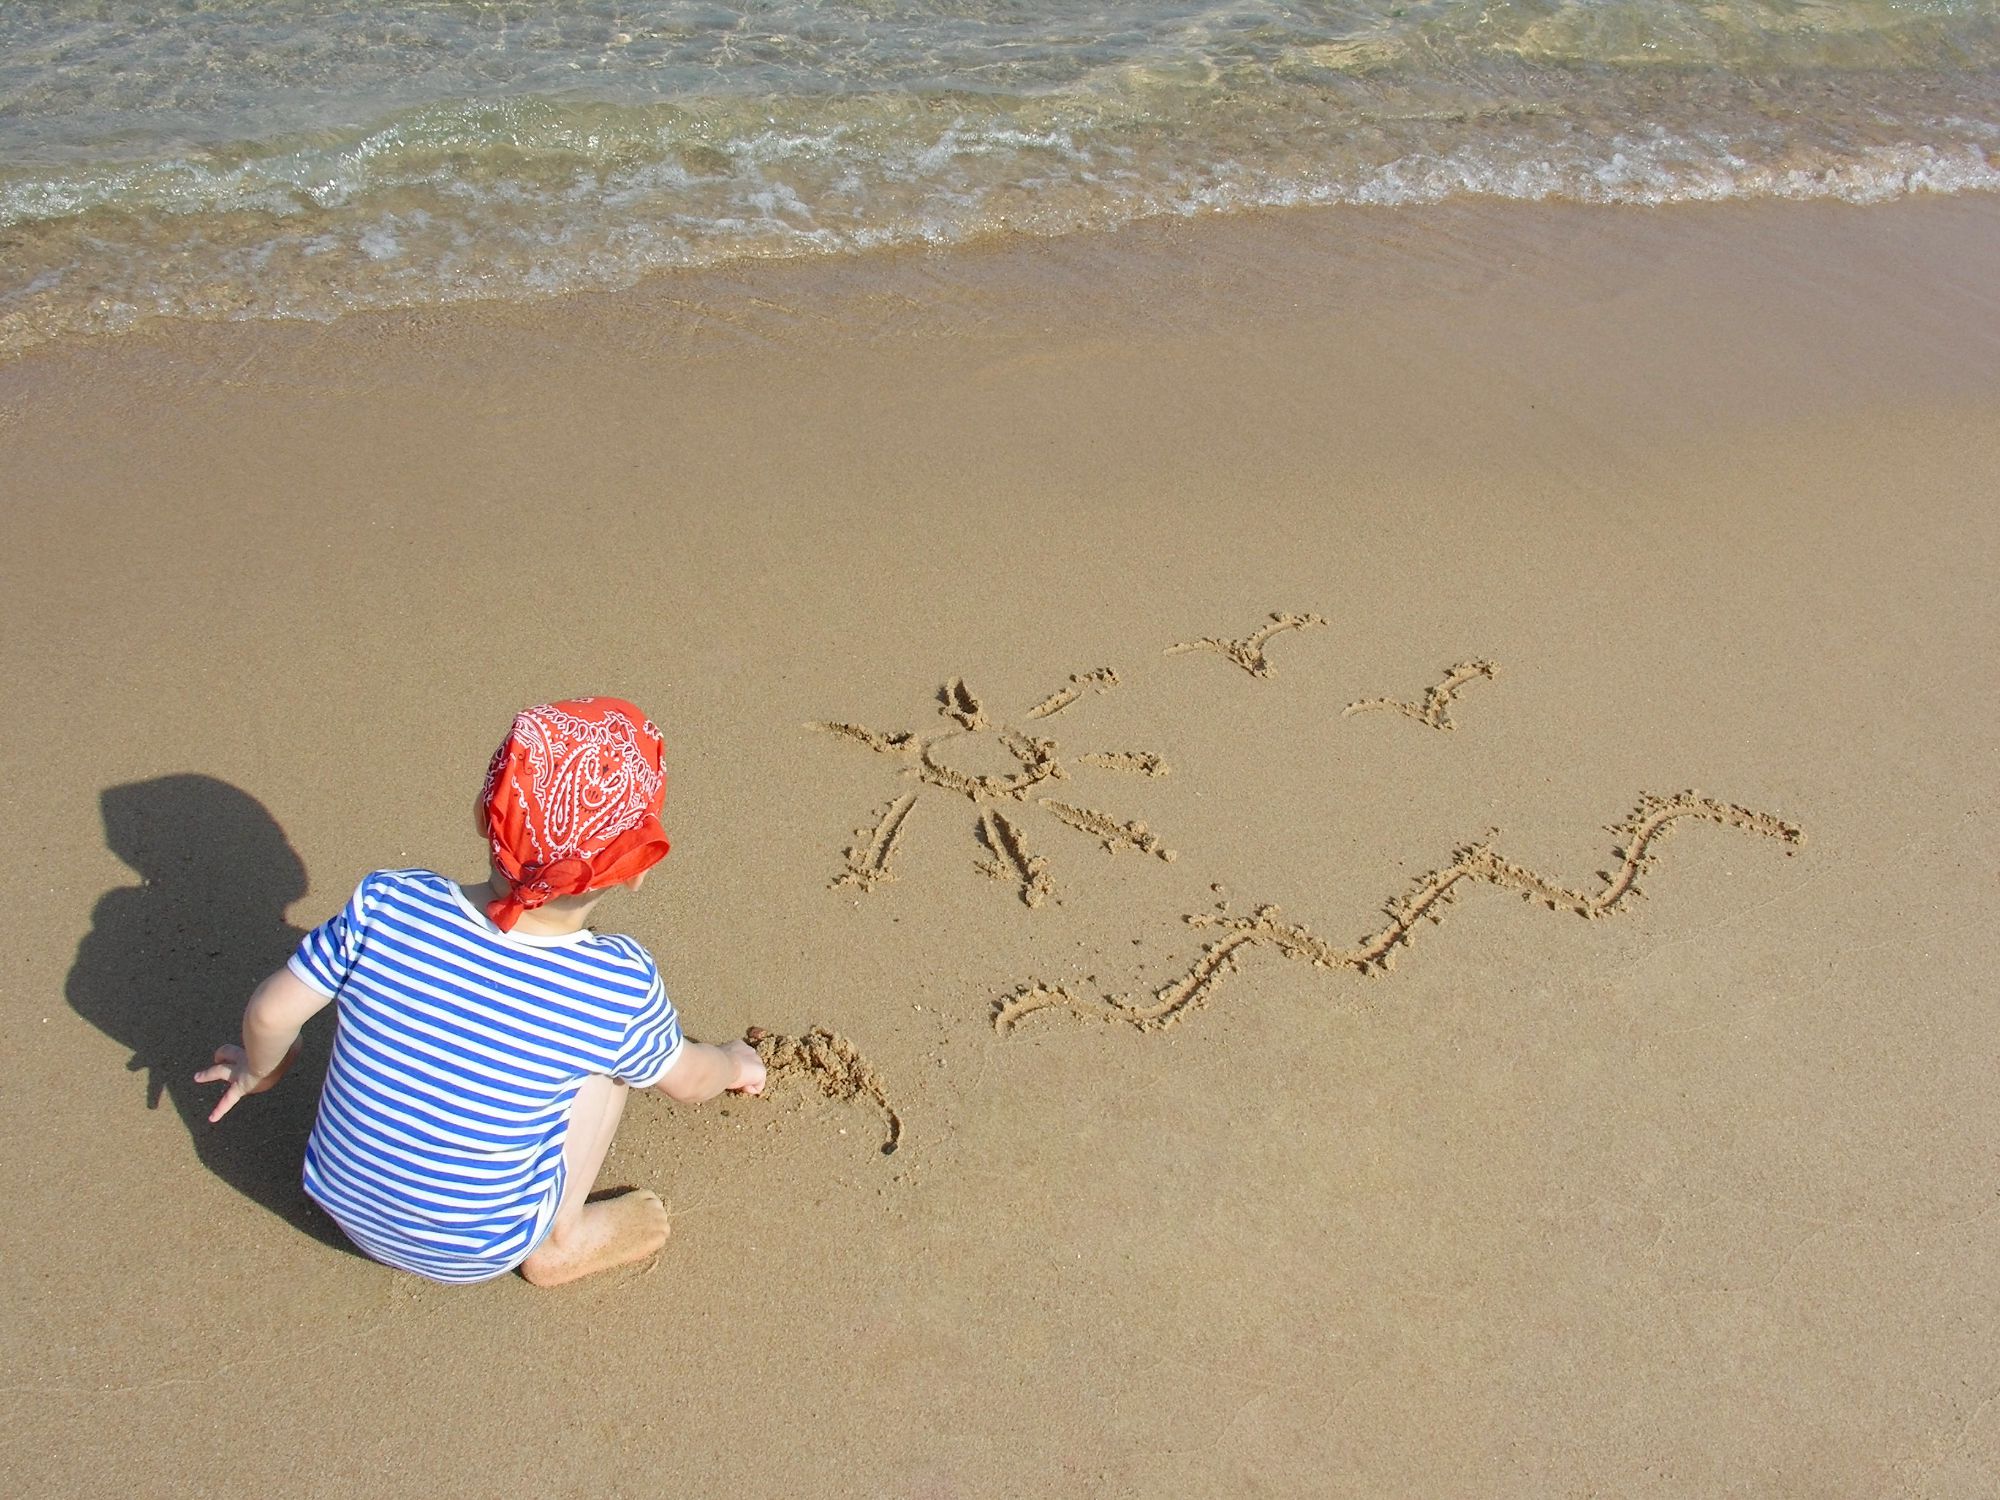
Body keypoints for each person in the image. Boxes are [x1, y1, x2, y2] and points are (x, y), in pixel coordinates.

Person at [198, 697, 765, 1287]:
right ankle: (560, 1241)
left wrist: (259, 1073)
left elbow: (269, 1012)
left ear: (482, 809)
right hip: (480, 1247)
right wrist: (731, 1062)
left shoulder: (388, 905)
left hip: (336, 1195)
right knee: (613, 1063)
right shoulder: (615, 985)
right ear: (637, 867)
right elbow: (688, 1081)